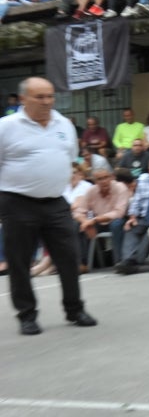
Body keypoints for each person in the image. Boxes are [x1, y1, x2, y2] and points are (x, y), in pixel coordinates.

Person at [0, 77, 97, 335]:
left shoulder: (63, 124)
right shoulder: (6, 127)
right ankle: (27, 315)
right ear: (23, 99)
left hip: (56, 202)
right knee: (19, 261)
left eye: (50, 96)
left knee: (69, 257)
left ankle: (75, 309)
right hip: (17, 202)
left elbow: (69, 159)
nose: (46, 102)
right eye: (39, 97)